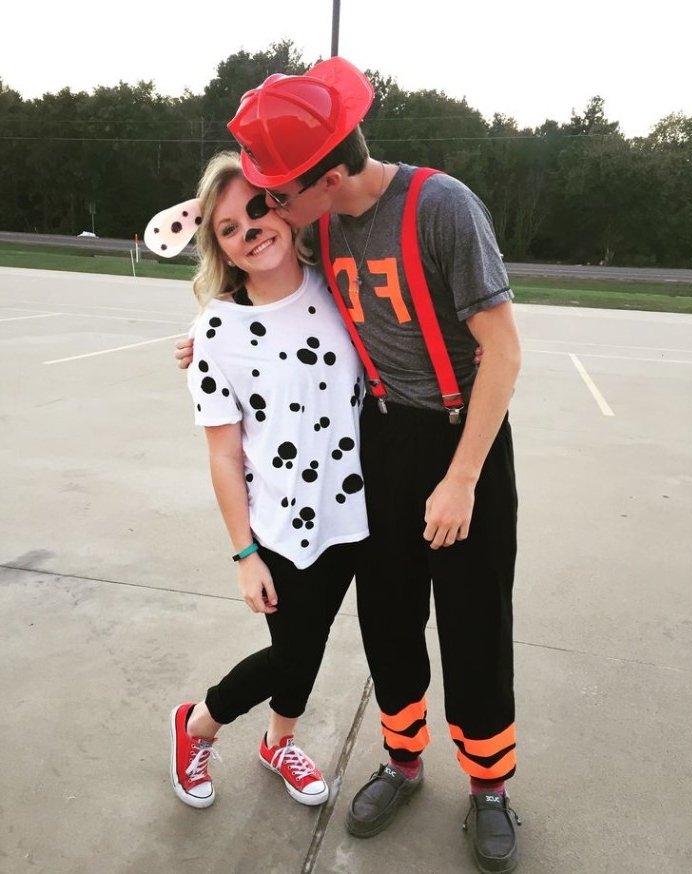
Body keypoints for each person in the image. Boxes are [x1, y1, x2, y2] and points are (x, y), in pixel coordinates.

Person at [177, 58, 522, 874]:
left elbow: (503, 353)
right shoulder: (323, 227)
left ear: (323, 179)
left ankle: (488, 784)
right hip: (382, 443)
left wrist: (463, 477)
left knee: (474, 625)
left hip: (462, 439)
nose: (268, 207)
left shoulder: (443, 209)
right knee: (389, 621)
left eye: (275, 194)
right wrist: (206, 339)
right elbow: (275, 307)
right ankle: (403, 762)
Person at [151, 150, 369, 811]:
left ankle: (279, 741)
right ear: (218, 247)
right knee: (293, 654)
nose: (250, 230)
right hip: (278, 525)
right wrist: (245, 554)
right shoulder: (218, 330)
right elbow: (222, 456)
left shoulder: (338, 284)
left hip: (355, 515)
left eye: (256, 208)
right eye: (227, 228)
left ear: (281, 204)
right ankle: (197, 726)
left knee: (310, 645)